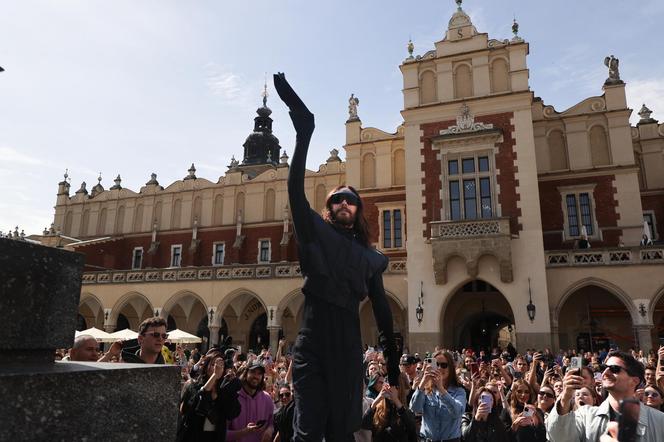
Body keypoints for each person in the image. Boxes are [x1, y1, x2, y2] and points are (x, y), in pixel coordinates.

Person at [273, 72, 399, 441]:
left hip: (347, 341)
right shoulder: (317, 231)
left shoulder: (371, 257)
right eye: (336, 200)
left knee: (343, 429)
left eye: (351, 200)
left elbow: (382, 309)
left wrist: (392, 361)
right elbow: (295, 191)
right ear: (329, 208)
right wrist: (303, 133)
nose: (344, 203)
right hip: (311, 339)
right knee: (309, 429)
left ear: (360, 210)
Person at [547, 350, 664, 441]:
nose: (605, 373)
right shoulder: (585, 416)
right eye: (604, 368)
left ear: (634, 380)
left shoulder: (659, 420)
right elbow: (558, 438)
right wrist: (565, 396)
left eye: (614, 369)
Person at [177, 348, 242, 442]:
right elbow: (198, 407)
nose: (217, 368)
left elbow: (232, 413)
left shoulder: (224, 388)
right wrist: (214, 376)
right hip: (194, 435)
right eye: (213, 364)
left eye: (221, 365)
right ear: (206, 367)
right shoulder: (193, 385)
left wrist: (231, 386)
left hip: (215, 436)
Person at [410, 350, 467, 441]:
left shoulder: (459, 391)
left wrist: (441, 389)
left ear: (451, 368)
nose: (439, 368)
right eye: (436, 364)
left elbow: (457, 412)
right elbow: (415, 408)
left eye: (444, 365)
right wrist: (423, 381)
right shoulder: (426, 389)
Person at [361, 372, 417, 441]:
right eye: (387, 387)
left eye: (395, 388)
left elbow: (411, 428)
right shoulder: (377, 408)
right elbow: (364, 425)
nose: (390, 390)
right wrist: (376, 401)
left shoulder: (404, 411)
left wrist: (396, 400)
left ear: (399, 389)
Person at [227, 362, 274, 442]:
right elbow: (221, 434)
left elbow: (271, 423)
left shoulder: (267, 399)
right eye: (252, 372)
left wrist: (270, 430)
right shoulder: (232, 398)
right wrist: (243, 432)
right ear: (246, 373)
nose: (256, 376)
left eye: (259, 373)